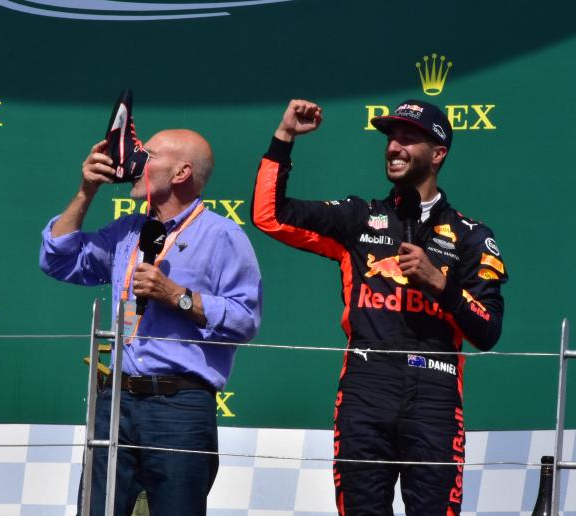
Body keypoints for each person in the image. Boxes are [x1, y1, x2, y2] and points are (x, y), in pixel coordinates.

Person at [251, 99, 507, 515]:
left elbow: (489, 330)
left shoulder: (471, 236)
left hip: (435, 394)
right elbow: (269, 216)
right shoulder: (358, 218)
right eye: (390, 138)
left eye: (409, 139)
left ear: (438, 153)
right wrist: (284, 138)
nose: (394, 147)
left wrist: (441, 284)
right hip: (366, 388)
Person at [40, 129, 262, 515]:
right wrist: (86, 191)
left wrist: (178, 296)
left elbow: (245, 320)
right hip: (116, 399)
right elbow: (58, 259)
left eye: (149, 156)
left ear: (180, 173)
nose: (136, 163)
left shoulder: (224, 236)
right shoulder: (125, 230)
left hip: (180, 406)